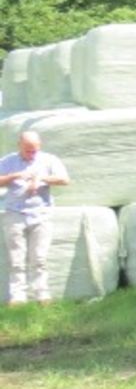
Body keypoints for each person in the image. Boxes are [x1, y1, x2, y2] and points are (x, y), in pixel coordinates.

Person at [1, 129, 70, 304]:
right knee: (16, 258)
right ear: (19, 146)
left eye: (34, 150)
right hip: (14, 213)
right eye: (27, 150)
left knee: (39, 257)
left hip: (41, 213)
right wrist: (14, 176)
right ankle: (17, 297)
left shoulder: (49, 160)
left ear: (39, 146)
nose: (31, 153)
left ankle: (42, 295)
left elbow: (64, 179)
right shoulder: (9, 161)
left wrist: (41, 179)